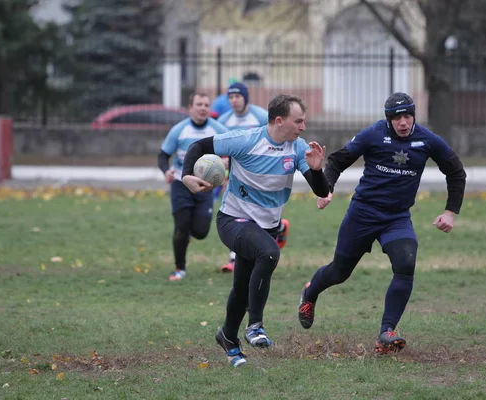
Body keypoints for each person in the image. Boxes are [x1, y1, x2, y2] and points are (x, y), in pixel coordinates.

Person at [297, 92, 467, 354]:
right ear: (388, 119)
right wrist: (326, 188)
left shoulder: (426, 140)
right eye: (397, 117)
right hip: (362, 213)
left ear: (414, 116)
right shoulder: (373, 134)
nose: (403, 122)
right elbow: (337, 161)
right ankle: (310, 294)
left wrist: (450, 212)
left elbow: (456, 171)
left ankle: (386, 333)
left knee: (406, 264)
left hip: (397, 218)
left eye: (408, 116)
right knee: (339, 273)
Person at [181, 94, 330, 367]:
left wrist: (317, 170)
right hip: (232, 221)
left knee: (241, 288)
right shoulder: (246, 140)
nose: (303, 127)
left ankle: (227, 337)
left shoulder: (297, 148)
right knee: (269, 253)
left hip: (266, 227)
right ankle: (255, 326)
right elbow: (198, 145)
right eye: (298, 121)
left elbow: (320, 189)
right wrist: (186, 175)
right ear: (279, 120)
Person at [216, 82, 290, 272]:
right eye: (230, 97)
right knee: (236, 212)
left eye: (238, 96)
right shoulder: (224, 120)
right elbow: (221, 145)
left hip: (261, 173)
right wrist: (222, 162)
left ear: (245, 97)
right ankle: (234, 258)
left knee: (253, 213)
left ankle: (279, 227)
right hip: (233, 172)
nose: (234, 101)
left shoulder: (259, 116)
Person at [157, 93, 228, 281]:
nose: (203, 108)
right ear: (190, 108)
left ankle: (189, 233)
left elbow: (234, 151)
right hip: (181, 185)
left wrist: (226, 161)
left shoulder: (219, 130)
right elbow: (163, 155)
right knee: (181, 228)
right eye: (199, 104)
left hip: (206, 187)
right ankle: (179, 268)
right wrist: (166, 171)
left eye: (206, 104)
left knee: (201, 231)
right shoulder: (179, 130)